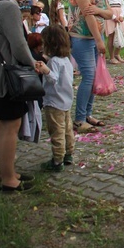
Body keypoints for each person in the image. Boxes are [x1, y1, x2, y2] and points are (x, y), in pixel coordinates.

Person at [0, 0, 48, 192]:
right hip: (5, 76)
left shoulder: (1, 5)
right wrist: (35, 64)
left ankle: (9, 172)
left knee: (6, 125)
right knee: (10, 125)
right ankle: (9, 179)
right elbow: (18, 44)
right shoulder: (8, 6)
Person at [68, 0, 113, 134]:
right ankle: (79, 119)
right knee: (88, 76)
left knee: (93, 77)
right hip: (82, 38)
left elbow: (110, 14)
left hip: (94, 38)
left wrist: (99, 10)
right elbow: (88, 15)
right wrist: (99, 40)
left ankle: (88, 114)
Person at [39, 25, 75, 173]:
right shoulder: (66, 60)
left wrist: (45, 70)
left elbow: (53, 79)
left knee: (56, 131)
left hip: (54, 102)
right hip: (66, 100)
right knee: (68, 129)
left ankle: (57, 160)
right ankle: (69, 153)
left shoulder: (53, 62)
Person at [103, 0, 124, 64]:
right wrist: (113, 16)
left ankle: (117, 53)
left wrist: (121, 15)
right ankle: (112, 57)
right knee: (111, 36)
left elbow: (123, 4)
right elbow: (106, 6)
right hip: (111, 14)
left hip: (119, 12)